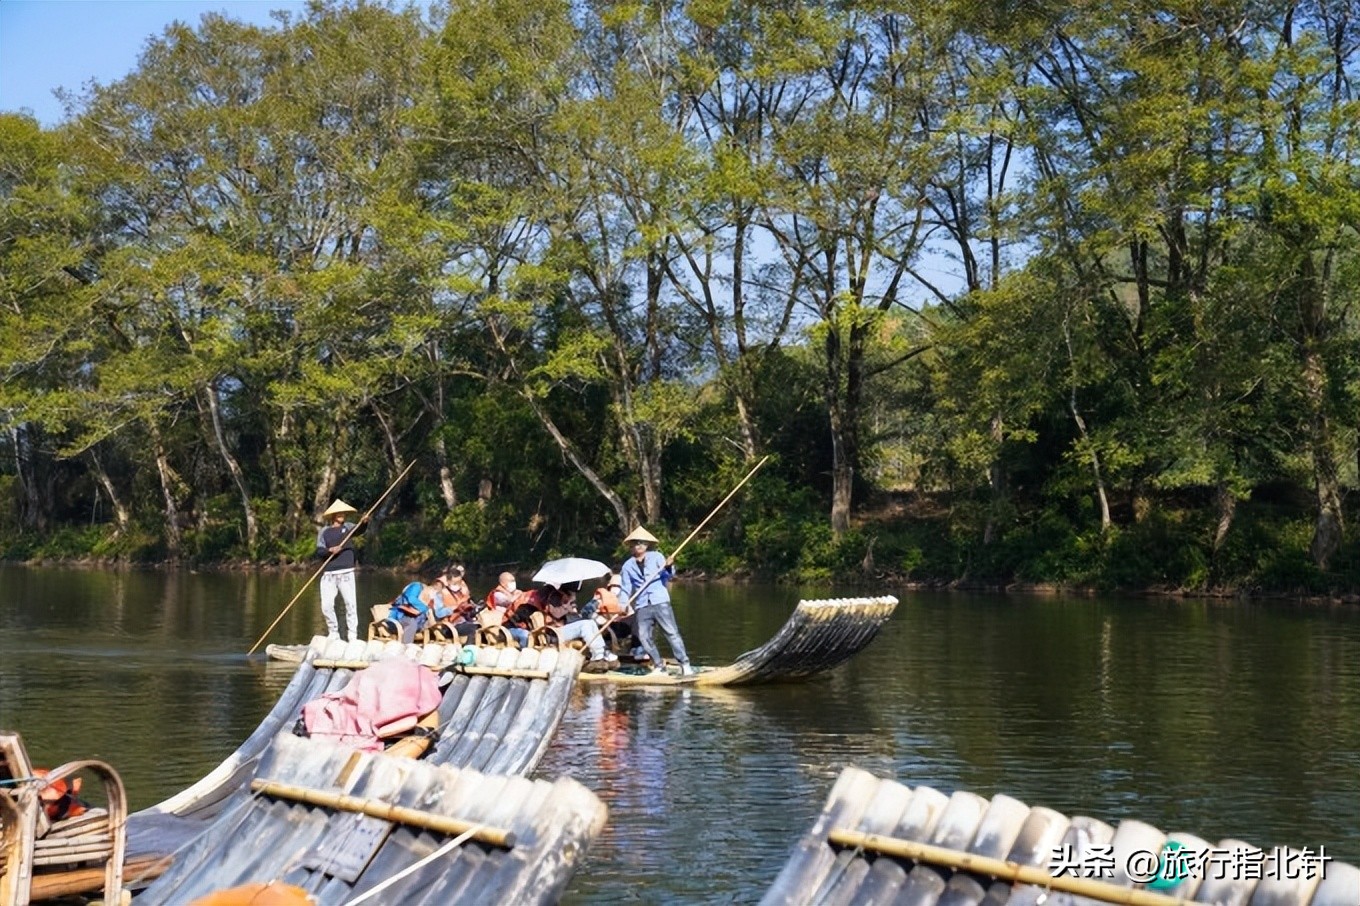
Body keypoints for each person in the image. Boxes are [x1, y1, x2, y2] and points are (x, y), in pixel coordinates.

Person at [618, 526, 693, 675]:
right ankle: (658, 665)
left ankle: (685, 664)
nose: (639, 545)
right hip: (642, 604)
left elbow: (668, 576)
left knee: (671, 633)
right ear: (631, 546)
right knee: (644, 637)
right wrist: (622, 604)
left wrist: (669, 566)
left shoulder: (657, 557)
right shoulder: (627, 566)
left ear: (647, 545)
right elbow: (625, 588)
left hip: (660, 600)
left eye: (642, 542)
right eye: (636, 543)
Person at [534, 583, 618, 669]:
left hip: (562, 630)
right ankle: (598, 655)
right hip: (554, 634)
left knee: (590, 623)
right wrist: (568, 607)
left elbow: (566, 615)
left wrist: (570, 608)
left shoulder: (559, 596)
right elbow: (557, 614)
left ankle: (601, 652)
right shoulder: (551, 600)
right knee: (584, 625)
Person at [315, 499, 366, 640]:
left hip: (346, 572)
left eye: (343, 513)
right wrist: (330, 551)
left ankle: (352, 635)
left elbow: (360, 529)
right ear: (333, 515)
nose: (341, 515)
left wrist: (364, 522)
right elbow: (319, 551)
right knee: (326, 605)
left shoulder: (348, 527)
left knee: (350, 604)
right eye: (338, 513)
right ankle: (333, 632)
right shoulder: (324, 531)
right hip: (329, 573)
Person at [482, 571, 531, 648]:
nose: (513, 583)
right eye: (511, 581)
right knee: (524, 634)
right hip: (503, 626)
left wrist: (522, 595)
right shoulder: (497, 594)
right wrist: (518, 595)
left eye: (514, 580)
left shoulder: (513, 593)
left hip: (515, 622)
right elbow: (509, 601)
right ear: (503, 583)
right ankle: (523, 651)